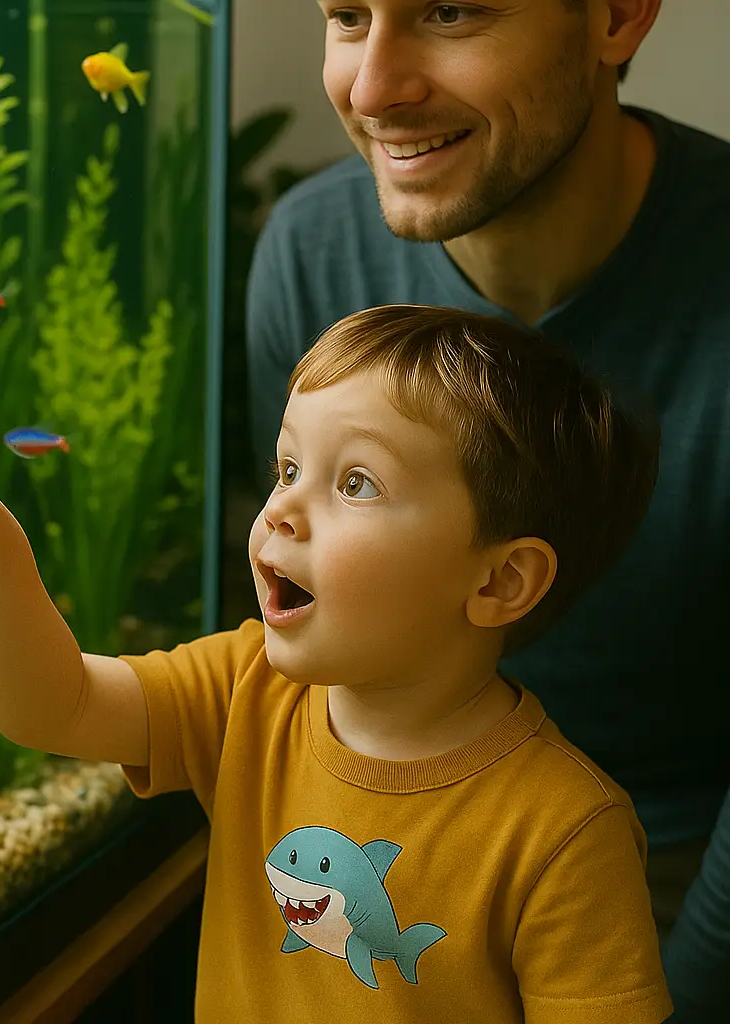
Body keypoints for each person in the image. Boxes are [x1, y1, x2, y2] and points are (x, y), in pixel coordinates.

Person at [0, 301, 672, 1022]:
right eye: (287, 468)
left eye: (355, 481)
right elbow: (50, 704)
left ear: (499, 579)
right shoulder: (245, 690)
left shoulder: (566, 833)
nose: (280, 507)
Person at [244, 1, 730, 1016]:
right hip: (373, 857)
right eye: (345, 16)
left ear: (614, 17)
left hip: (680, 874)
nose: (372, 88)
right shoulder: (307, 251)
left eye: (451, 10)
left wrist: (680, 987)